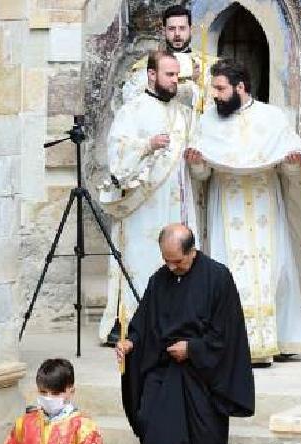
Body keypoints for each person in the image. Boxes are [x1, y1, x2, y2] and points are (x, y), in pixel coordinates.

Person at [184, 59, 301, 366]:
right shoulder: (207, 121)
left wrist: (294, 164)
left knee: (275, 271)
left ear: (240, 87)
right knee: (229, 272)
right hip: (225, 206)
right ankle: (233, 345)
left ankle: (278, 339)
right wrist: (196, 163)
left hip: (266, 205)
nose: (215, 95)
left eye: (220, 88)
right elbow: (202, 176)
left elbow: (291, 169)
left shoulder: (272, 118)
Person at [115, 224, 255, 444]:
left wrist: (193, 349)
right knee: (152, 422)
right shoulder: (160, 279)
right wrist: (130, 342)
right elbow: (145, 321)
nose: (171, 267)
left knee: (203, 440)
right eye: (166, 260)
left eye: (177, 261)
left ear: (192, 251)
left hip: (202, 374)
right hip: (163, 366)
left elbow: (227, 335)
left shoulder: (217, 278)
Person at [98, 50, 196, 344]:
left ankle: (173, 323)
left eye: (177, 75)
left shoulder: (183, 114)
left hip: (175, 203)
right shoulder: (132, 111)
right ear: (151, 75)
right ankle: (136, 324)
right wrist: (147, 145)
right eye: (169, 74)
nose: (175, 80)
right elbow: (116, 157)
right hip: (142, 207)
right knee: (141, 259)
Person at [0, 358, 103, 444]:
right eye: (43, 392)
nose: (49, 398)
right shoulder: (25, 424)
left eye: (56, 393)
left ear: (71, 391)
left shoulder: (84, 428)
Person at [121, 5, 217, 112]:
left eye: (182, 28)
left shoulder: (208, 65)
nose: (177, 34)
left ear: (191, 30)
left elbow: (213, 106)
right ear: (164, 31)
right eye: (171, 29)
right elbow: (131, 100)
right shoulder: (146, 65)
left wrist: (197, 83)